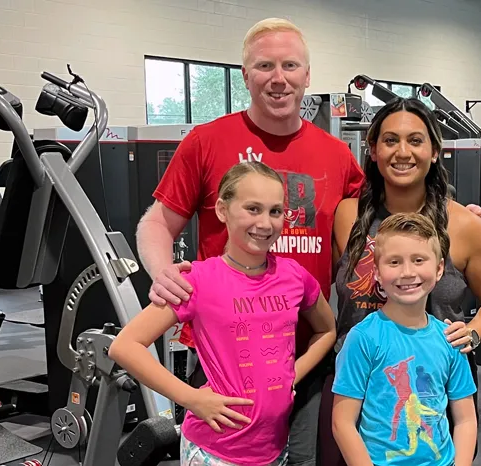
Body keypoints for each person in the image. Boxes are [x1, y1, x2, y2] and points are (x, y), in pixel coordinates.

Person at [136, 18, 481, 466]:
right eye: (264, 66)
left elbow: (397, 197)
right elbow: (156, 224)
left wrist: (462, 213)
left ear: (307, 76)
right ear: (245, 73)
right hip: (228, 353)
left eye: (290, 65)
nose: (278, 78)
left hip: (310, 352)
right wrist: (163, 274)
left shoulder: (333, 153)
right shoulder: (205, 142)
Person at [322, 97, 481, 464]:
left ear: (435, 151)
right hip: (357, 386)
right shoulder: (347, 214)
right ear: (373, 150)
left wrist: (472, 332)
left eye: (415, 140)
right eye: (390, 140)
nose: (402, 152)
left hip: (431, 385)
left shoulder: (464, 225)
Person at [109, 162, 337, 466]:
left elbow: (327, 330)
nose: (265, 223)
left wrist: (292, 374)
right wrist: (191, 399)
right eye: (252, 209)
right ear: (222, 210)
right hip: (214, 453)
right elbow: (124, 346)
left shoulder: (294, 276)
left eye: (275, 211)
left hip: (273, 449)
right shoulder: (198, 280)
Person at [332, 212, 478, 466]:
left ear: (440, 268)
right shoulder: (362, 339)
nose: (408, 272)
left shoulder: (449, 339)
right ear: (377, 272)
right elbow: (342, 422)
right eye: (395, 262)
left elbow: (466, 419)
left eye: (419, 260)